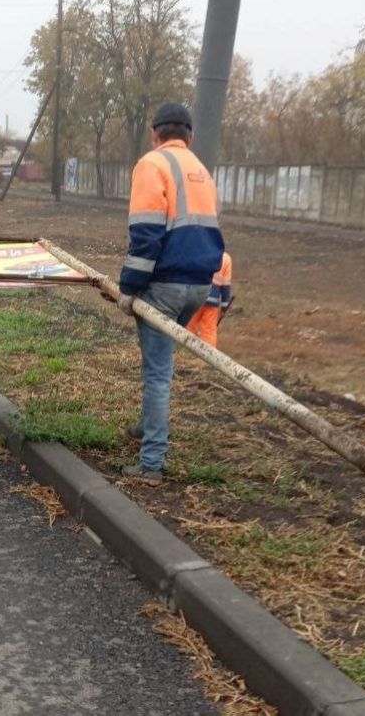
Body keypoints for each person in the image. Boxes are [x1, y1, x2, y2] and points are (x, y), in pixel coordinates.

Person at [117, 103, 225, 487]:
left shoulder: (152, 165)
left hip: (164, 285)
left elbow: (146, 235)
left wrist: (128, 288)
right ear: (189, 136)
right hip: (200, 285)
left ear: (155, 134)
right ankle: (148, 426)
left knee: (158, 373)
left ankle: (150, 464)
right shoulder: (201, 172)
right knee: (160, 363)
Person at [187, 251, 233, 348]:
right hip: (213, 301)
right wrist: (225, 305)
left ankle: (187, 350)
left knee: (190, 324)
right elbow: (225, 285)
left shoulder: (202, 251)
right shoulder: (226, 258)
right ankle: (209, 354)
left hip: (197, 296)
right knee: (209, 330)